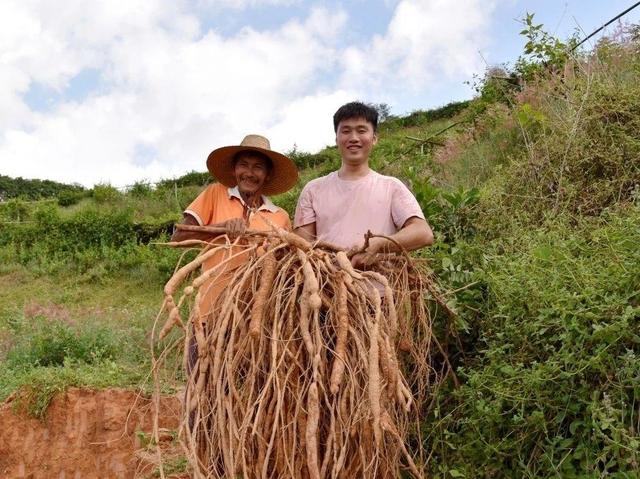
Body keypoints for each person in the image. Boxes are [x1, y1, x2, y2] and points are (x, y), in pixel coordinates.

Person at [171, 133, 298, 317]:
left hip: (257, 319)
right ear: (234, 170)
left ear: (268, 175)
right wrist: (220, 228)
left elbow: (288, 266)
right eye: (243, 165)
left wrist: (278, 253)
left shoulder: (280, 217)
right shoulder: (215, 194)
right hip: (210, 313)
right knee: (198, 346)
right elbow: (178, 238)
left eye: (258, 167)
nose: (249, 173)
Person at [294, 101, 433, 267]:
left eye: (361, 131)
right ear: (336, 139)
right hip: (329, 288)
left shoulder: (391, 187)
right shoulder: (313, 189)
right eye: (346, 131)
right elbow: (302, 247)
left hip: (382, 290)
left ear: (374, 139)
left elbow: (423, 233)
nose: (353, 138)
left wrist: (380, 245)